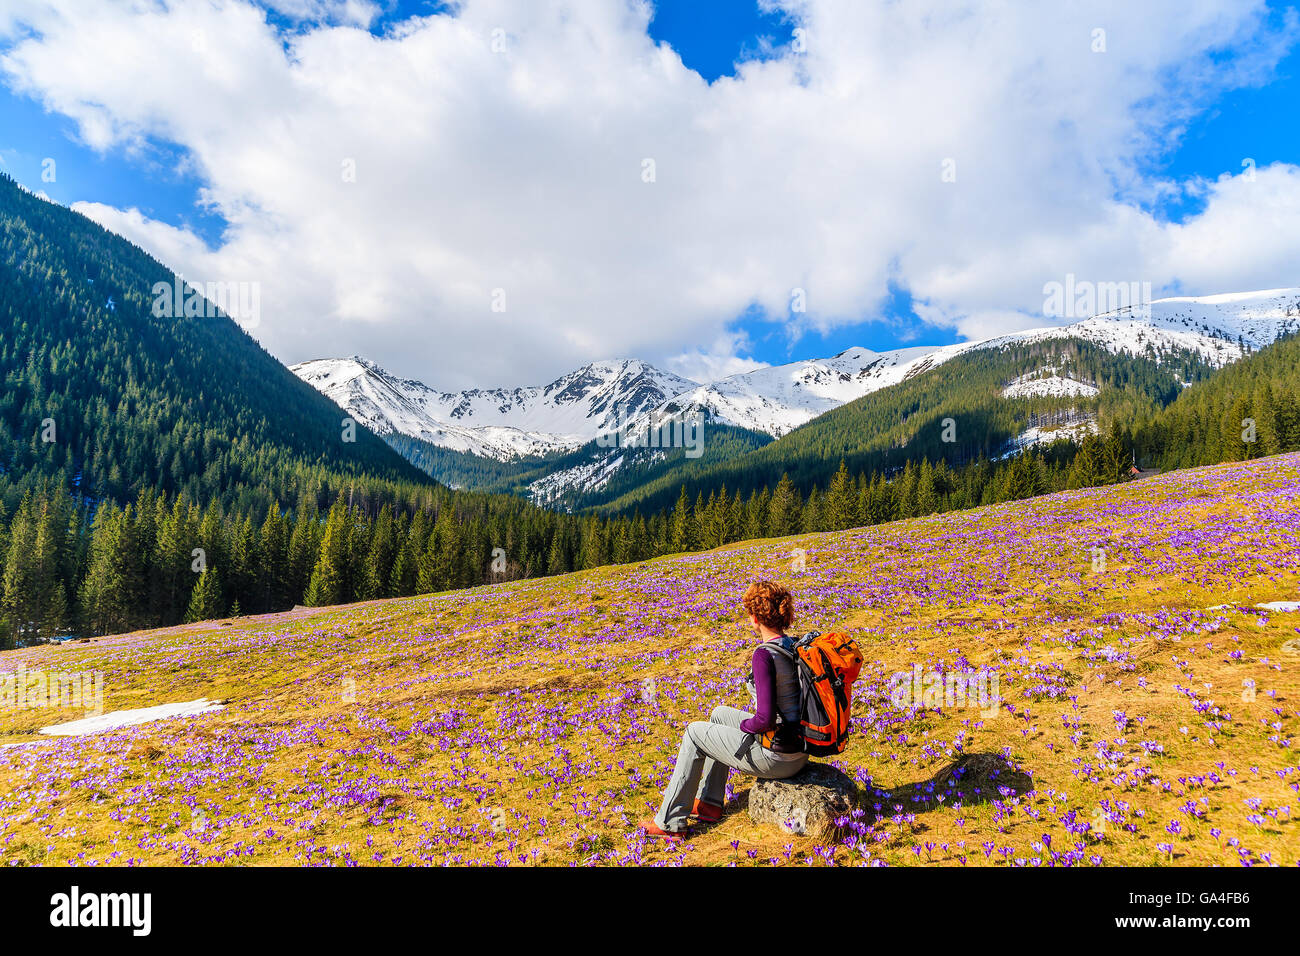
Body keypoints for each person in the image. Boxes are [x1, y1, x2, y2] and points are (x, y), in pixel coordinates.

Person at [641, 579, 808, 841]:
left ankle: (670, 822)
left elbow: (763, 719)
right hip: (798, 750)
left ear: (754, 616)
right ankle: (709, 803)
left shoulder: (764, 654)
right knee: (719, 713)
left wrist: (746, 727)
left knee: (694, 732)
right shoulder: (792, 645)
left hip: (777, 758)